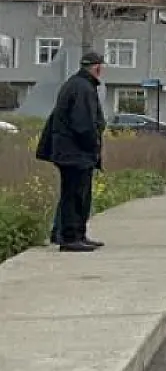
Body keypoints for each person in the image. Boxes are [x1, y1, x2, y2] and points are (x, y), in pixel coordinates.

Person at [43, 51, 106, 252]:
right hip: (75, 152)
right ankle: (70, 237)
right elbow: (83, 124)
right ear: (97, 67)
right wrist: (93, 147)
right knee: (75, 195)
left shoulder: (77, 84)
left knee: (76, 194)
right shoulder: (83, 88)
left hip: (69, 151)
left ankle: (75, 233)